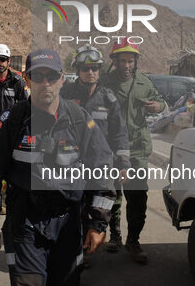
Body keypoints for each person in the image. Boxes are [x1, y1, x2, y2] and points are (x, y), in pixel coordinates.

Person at [0, 49, 116, 285]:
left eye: (51, 77)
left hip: (69, 224)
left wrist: (97, 223)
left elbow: (101, 168)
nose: (45, 84)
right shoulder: (11, 121)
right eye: (37, 77)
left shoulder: (79, 119)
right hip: (24, 224)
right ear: (27, 80)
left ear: (62, 79)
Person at [100, 39, 166, 264]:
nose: (126, 65)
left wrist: (159, 107)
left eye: (130, 61)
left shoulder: (144, 83)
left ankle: (133, 241)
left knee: (137, 197)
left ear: (135, 62)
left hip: (137, 149)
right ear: (115, 62)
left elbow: (160, 101)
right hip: (110, 149)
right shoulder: (104, 82)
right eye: (122, 61)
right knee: (112, 196)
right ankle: (115, 237)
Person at [60, 45, 131, 256]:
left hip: (99, 164)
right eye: (85, 68)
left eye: (94, 68)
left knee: (99, 206)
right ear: (78, 70)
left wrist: (124, 164)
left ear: (99, 71)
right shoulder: (66, 95)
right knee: (73, 208)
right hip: (71, 163)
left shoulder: (108, 99)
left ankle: (93, 242)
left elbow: (119, 133)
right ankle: (77, 252)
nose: (90, 72)